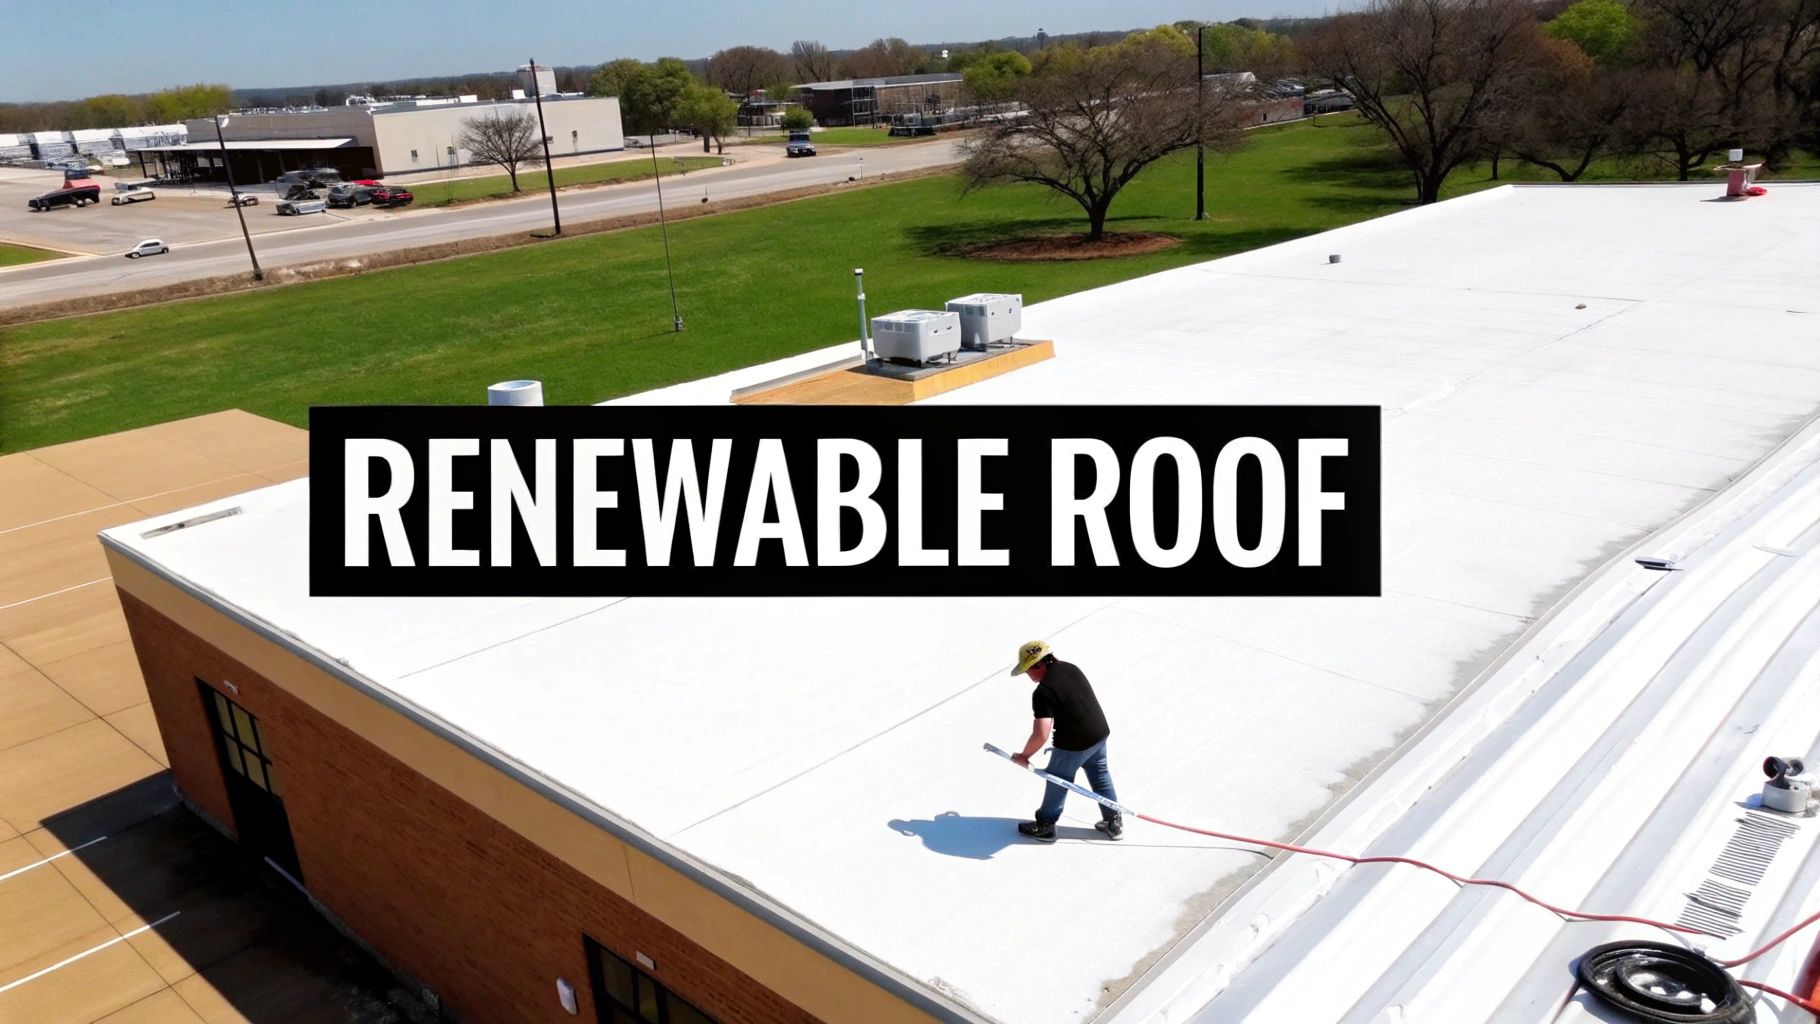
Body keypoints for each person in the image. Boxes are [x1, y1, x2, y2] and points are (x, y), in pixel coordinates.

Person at [1007, 640, 1121, 843]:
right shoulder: (1071, 668)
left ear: (1038, 665)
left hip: (1073, 744)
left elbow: (1041, 733)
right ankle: (1114, 820)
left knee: (1057, 780)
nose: (1028, 675)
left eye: (1027, 670)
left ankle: (1045, 825)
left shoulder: (1043, 692)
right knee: (1100, 774)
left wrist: (1024, 756)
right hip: (1098, 734)